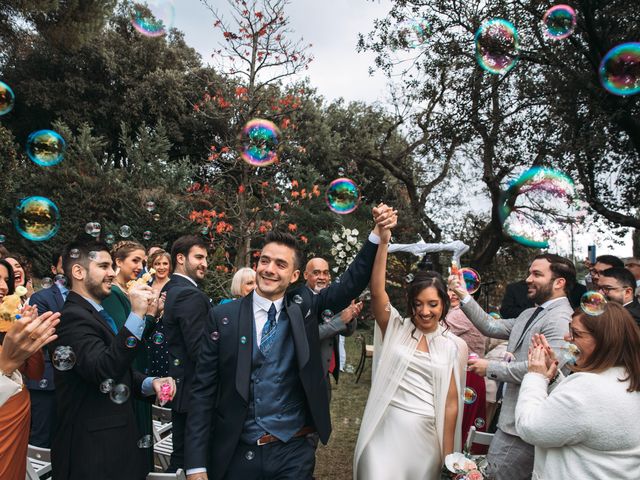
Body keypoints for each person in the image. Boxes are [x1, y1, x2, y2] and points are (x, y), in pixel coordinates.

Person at [185, 205, 394, 480]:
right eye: (265, 261)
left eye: (281, 264)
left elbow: (349, 284)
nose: (269, 269)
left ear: (295, 276)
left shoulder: (304, 306)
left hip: (293, 451)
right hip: (239, 450)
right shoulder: (224, 317)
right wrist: (196, 465)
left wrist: (377, 234)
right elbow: (202, 392)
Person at [354, 211, 467, 480]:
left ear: (444, 303)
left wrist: (448, 457)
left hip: (425, 440)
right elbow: (377, 289)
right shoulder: (396, 328)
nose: (425, 312)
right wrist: (383, 241)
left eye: (432, 304)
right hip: (384, 433)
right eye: (418, 304)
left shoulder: (452, 346)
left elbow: (451, 405)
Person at [51, 240, 175, 480]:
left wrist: (150, 383)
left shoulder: (93, 312)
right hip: (94, 454)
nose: (112, 273)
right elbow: (103, 370)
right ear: (78, 272)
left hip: (111, 447)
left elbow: (116, 366)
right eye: (104, 266)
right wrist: (138, 314)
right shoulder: (72, 318)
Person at [448, 253, 575, 480]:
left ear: (559, 282)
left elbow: (544, 369)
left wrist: (491, 368)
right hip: (511, 417)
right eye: (529, 272)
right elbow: (490, 325)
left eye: (537, 274)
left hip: (523, 427)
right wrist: (462, 295)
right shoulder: (530, 312)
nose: (528, 279)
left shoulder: (561, 318)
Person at [515, 305, 640, 479]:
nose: (567, 338)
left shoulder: (588, 387)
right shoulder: (627, 377)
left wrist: (535, 376)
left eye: (577, 334)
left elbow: (529, 427)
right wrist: (552, 378)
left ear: (606, 340)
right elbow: (579, 414)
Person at [102, 240, 161, 473]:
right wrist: (149, 316)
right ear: (118, 262)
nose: (141, 266)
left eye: (143, 261)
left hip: (138, 372)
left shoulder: (128, 291)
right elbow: (125, 337)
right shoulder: (113, 295)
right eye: (135, 260)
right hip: (128, 372)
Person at [162, 235, 213, 472]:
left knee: (182, 457)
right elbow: (199, 349)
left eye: (206, 258)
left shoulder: (171, 288)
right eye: (199, 257)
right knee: (190, 460)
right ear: (180, 258)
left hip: (182, 390)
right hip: (194, 392)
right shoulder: (189, 294)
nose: (205, 263)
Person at [0, 259, 53, 480]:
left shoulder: (10, 323)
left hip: (17, 419)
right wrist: (6, 366)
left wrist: (32, 342)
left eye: (6, 280)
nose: (3, 286)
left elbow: (34, 374)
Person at [26, 248, 67, 447]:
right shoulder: (41, 298)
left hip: (72, 381)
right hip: (47, 379)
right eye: (62, 265)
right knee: (41, 439)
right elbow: (43, 338)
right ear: (53, 269)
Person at [304, 257, 361, 400]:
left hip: (324, 373)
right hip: (305, 373)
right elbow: (307, 335)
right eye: (316, 273)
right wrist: (340, 320)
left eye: (325, 273)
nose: (322, 277)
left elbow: (347, 332)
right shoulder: (299, 300)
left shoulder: (333, 298)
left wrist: (351, 316)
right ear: (306, 275)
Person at [446, 289, 487, 445]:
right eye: (450, 289)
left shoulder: (460, 314)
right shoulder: (474, 310)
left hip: (465, 376)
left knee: (460, 427)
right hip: (472, 375)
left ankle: (454, 464)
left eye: (458, 289)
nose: (453, 293)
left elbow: (434, 335)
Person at [0, 306, 59, 407]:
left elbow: (35, 374)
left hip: (20, 406)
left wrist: (31, 340)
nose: (4, 289)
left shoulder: (13, 321)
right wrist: (7, 366)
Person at [147, 249, 172, 377]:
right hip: (147, 332)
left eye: (165, 263)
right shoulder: (146, 285)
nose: (161, 267)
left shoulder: (175, 286)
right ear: (151, 266)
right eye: (157, 264)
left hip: (167, 334)